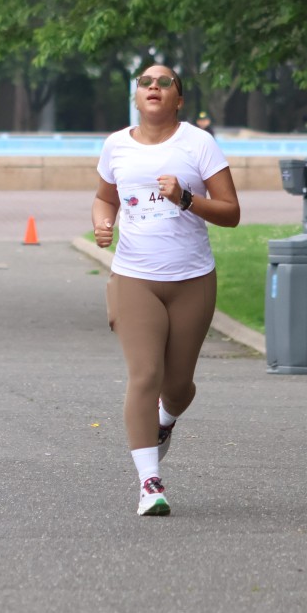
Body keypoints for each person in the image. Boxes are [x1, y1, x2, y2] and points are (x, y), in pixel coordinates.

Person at [93, 64, 240, 515]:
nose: (153, 87)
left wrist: (186, 199)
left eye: (164, 82)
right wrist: (103, 222)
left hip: (192, 279)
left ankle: (165, 418)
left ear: (179, 99)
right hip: (134, 277)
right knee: (145, 375)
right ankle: (149, 484)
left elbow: (231, 212)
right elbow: (105, 197)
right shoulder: (116, 145)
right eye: (145, 82)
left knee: (177, 387)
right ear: (136, 97)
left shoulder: (199, 144)